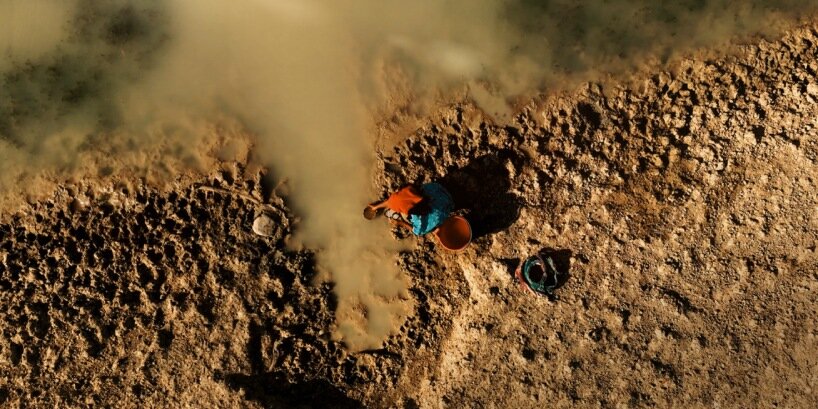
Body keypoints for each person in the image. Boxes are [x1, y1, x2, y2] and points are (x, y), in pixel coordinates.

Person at [365, 182, 471, 250]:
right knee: (401, 204)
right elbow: (396, 200)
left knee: (405, 217)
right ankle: (396, 210)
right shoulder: (427, 188)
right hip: (442, 192)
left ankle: (398, 215)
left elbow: (417, 231)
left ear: (415, 213)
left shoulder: (423, 220)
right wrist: (376, 207)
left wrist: (400, 223)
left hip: (444, 211)